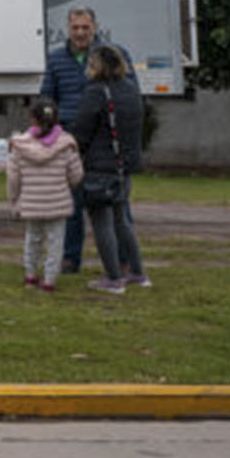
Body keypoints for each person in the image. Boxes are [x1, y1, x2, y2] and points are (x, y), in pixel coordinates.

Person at [39, 6, 128, 273]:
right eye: (75, 27)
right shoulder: (56, 60)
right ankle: (70, 258)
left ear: (95, 27)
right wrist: (47, 133)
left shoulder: (113, 55)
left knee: (115, 204)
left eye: (85, 27)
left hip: (104, 141)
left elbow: (128, 93)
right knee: (71, 203)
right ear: (68, 28)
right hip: (70, 141)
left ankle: (123, 260)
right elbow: (47, 99)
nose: (80, 33)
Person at [69, 45, 148, 294]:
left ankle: (113, 278)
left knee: (101, 222)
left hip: (100, 167)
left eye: (91, 64)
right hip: (124, 166)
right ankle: (137, 272)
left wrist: (71, 151)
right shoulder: (131, 89)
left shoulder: (96, 92)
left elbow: (82, 131)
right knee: (122, 220)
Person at [6, 98, 82, 292]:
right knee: (56, 242)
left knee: (33, 238)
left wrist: (14, 199)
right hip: (58, 202)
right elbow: (76, 175)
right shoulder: (66, 144)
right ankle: (49, 280)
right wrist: (65, 185)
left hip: (31, 202)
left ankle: (31, 275)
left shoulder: (19, 145)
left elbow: (13, 178)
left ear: (32, 119)